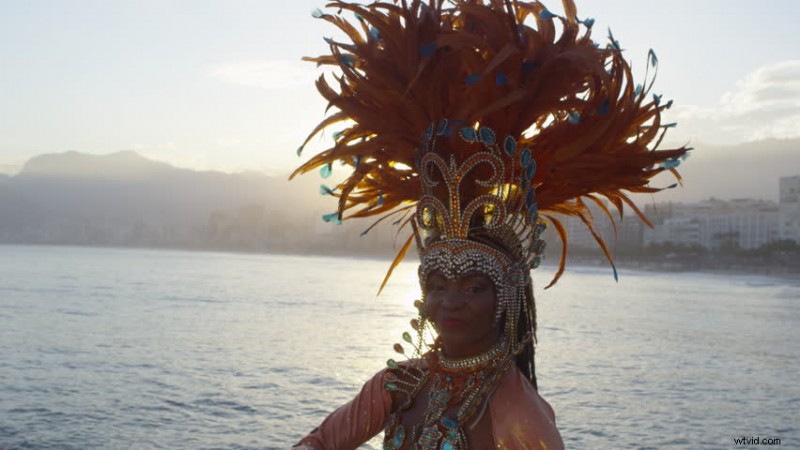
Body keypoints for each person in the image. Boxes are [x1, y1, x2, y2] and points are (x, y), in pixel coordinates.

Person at [290, 0, 687, 448]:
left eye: (474, 287)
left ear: (508, 294)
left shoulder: (518, 412)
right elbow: (319, 442)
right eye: (437, 285)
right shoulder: (398, 384)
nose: (450, 302)